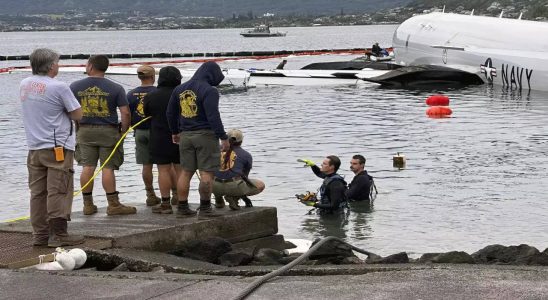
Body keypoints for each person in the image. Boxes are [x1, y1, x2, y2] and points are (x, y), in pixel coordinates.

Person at [20, 48, 84, 247]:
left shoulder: (25, 84)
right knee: (59, 190)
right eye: (57, 62)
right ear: (50, 66)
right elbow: (77, 114)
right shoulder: (59, 87)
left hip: (34, 146)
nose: (58, 66)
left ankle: (39, 235)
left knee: (38, 192)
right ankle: (59, 234)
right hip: (58, 146)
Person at [70, 55, 136, 216]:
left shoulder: (74, 86)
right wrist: (124, 131)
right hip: (108, 130)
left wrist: (77, 127)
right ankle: (113, 205)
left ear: (91, 66)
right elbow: (125, 113)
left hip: (85, 130)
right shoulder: (116, 88)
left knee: (87, 167)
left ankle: (88, 205)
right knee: (108, 168)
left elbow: (71, 110)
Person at [166, 61, 230, 218]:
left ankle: (182, 208)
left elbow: (170, 113)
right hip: (205, 135)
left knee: (186, 172)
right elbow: (213, 116)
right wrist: (223, 137)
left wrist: (175, 131)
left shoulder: (179, 89)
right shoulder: (210, 90)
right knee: (206, 173)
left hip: (185, 135)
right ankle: (206, 208)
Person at [143, 66, 183, 214]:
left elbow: (146, 113)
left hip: (159, 136)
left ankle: (165, 203)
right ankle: (181, 201)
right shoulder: (182, 94)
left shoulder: (151, 95)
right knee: (181, 170)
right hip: (180, 135)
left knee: (163, 170)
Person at [127, 65, 161, 207]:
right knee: (164, 166)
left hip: (139, 132)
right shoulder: (159, 92)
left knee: (146, 165)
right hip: (157, 131)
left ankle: (150, 195)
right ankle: (172, 195)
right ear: (153, 77)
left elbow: (127, 114)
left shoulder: (130, 94)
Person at [213, 129, 265, 210]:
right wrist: (244, 198)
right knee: (260, 185)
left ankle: (218, 199)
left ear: (226, 139)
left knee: (213, 175)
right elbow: (244, 177)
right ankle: (234, 198)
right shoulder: (246, 155)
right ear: (241, 141)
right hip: (234, 186)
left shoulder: (214, 149)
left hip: (213, 186)